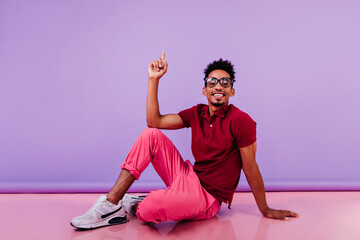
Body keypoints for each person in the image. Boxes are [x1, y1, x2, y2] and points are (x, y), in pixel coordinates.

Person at [71, 51, 299, 230]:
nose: (218, 86)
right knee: (150, 135)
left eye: (225, 82)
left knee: (149, 210)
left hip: (207, 198)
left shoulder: (241, 121)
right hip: (188, 177)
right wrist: (153, 80)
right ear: (204, 89)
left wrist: (265, 209)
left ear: (232, 91)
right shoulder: (197, 113)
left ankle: (139, 203)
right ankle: (111, 205)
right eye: (212, 82)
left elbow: (250, 167)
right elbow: (154, 121)